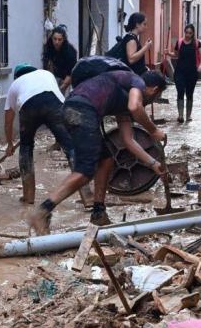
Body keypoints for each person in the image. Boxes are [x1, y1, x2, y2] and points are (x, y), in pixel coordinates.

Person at [27, 70, 168, 234]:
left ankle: (98, 213)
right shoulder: (136, 81)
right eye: (156, 97)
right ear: (154, 89)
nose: (152, 101)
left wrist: (153, 164)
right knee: (85, 170)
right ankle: (42, 211)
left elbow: (128, 140)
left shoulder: (124, 97)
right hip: (82, 110)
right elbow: (135, 107)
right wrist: (153, 130)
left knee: (106, 159)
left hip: (72, 108)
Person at [3, 64, 75, 204]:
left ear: (17, 77)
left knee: (26, 147)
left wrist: (10, 144)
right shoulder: (46, 74)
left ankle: (28, 196)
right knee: (70, 147)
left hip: (28, 106)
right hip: (54, 104)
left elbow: (8, 122)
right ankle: (87, 196)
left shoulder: (15, 85)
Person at [166, 24, 201, 123]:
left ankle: (188, 116)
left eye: (190, 33)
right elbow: (176, 55)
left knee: (190, 94)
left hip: (192, 72)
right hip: (180, 71)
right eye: (186, 32)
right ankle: (180, 115)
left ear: (193, 33)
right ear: (184, 32)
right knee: (180, 91)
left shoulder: (197, 43)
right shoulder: (180, 42)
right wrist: (168, 53)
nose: (188, 35)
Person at [42, 25, 78, 93]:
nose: (57, 42)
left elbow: (70, 74)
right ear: (52, 38)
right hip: (53, 76)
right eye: (55, 39)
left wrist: (60, 89)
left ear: (63, 39)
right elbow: (46, 66)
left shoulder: (70, 52)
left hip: (66, 79)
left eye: (59, 39)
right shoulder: (48, 47)